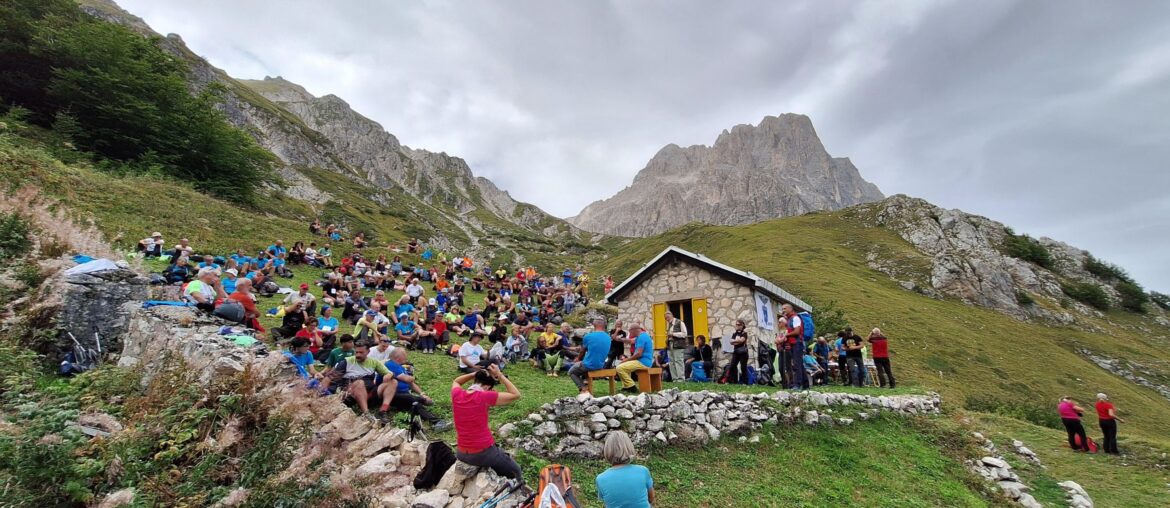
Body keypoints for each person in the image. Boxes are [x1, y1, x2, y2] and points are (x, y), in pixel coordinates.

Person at [451, 364, 522, 479]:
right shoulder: (484, 396)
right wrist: (499, 375)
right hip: (482, 452)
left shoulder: (457, 394)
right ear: (487, 387)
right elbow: (516, 394)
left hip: (461, 452)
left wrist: (475, 373)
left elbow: (457, 381)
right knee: (516, 471)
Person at [378, 348, 451, 430]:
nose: (407, 357)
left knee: (417, 402)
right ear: (398, 357)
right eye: (405, 355)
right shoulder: (390, 365)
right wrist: (413, 377)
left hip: (403, 394)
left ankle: (435, 418)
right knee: (413, 400)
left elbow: (411, 383)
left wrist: (422, 394)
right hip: (392, 395)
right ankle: (433, 418)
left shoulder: (400, 367)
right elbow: (407, 379)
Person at [334, 342, 394, 421]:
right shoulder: (347, 362)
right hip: (350, 394)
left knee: (393, 382)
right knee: (360, 383)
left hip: (370, 393)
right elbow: (330, 377)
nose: (358, 355)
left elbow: (389, 373)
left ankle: (383, 411)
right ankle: (366, 414)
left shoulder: (374, 362)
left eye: (361, 352)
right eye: (356, 352)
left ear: (368, 352)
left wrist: (388, 375)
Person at [596, 430, 655, 508]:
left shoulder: (601, 479)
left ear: (607, 451)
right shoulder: (642, 471)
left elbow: (608, 502)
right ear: (629, 447)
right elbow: (651, 498)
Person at [569, 318, 612, 397]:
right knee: (584, 364)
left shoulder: (588, 336)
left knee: (572, 371)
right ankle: (585, 381)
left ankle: (583, 388)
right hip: (601, 365)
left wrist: (578, 359)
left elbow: (582, 351)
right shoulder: (608, 337)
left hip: (590, 365)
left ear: (594, 325)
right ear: (604, 325)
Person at [616, 322, 654, 393]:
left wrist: (626, 360)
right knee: (625, 368)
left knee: (619, 368)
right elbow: (630, 341)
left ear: (634, 330)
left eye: (629, 331)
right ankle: (626, 387)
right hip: (644, 361)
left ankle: (631, 386)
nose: (629, 333)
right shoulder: (641, 336)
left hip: (643, 362)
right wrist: (619, 339)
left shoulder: (641, 338)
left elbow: (639, 354)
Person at [664, 311, 688, 382]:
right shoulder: (669, 324)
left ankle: (681, 379)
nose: (667, 319)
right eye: (665, 318)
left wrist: (673, 334)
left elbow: (684, 334)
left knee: (678, 361)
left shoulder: (680, 322)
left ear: (671, 315)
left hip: (678, 345)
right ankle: (674, 379)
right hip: (670, 344)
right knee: (671, 362)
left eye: (667, 317)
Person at [727, 320, 750, 384]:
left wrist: (736, 341)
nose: (737, 326)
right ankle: (732, 381)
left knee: (743, 367)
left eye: (739, 324)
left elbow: (742, 340)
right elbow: (731, 342)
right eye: (736, 324)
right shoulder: (734, 333)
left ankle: (745, 382)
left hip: (743, 352)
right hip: (736, 352)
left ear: (742, 325)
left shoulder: (744, 333)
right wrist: (737, 341)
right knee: (732, 366)